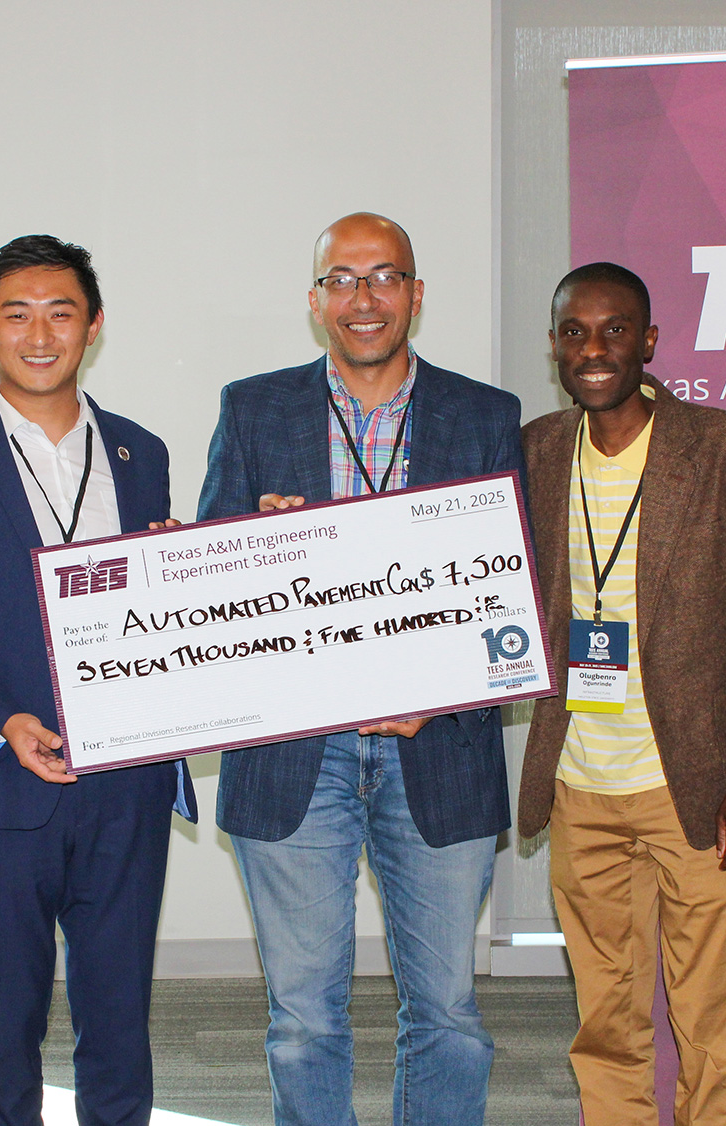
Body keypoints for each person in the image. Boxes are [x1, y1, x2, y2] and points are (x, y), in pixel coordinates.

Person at [195, 213, 521, 1126]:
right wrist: (259, 542)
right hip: (301, 751)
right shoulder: (254, 407)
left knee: (449, 1013)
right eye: (342, 279)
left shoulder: (484, 415)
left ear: (417, 295)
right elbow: (209, 576)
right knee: (303, 1017)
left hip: (439, 748)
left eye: (384, 278)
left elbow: (512, 590)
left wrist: (443, 692)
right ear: (314, 301)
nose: (363, 298)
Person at [0, 235, 196, 1126]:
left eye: (61, 312)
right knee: (4, 1034)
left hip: (125, 789)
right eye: (16, 314)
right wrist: (0, 719)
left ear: (94, 326)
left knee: (120, 1027)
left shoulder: (141, 451)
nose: (40, 333)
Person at [517, 263, 726, 1126]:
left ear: (649, 342)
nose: (595, 349)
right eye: (576, 332)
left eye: (615, 331)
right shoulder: (535, 449)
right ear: (556, 347)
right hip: (579, 785)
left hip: (699, 785)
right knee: (604, 1019)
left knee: (708, 1016)